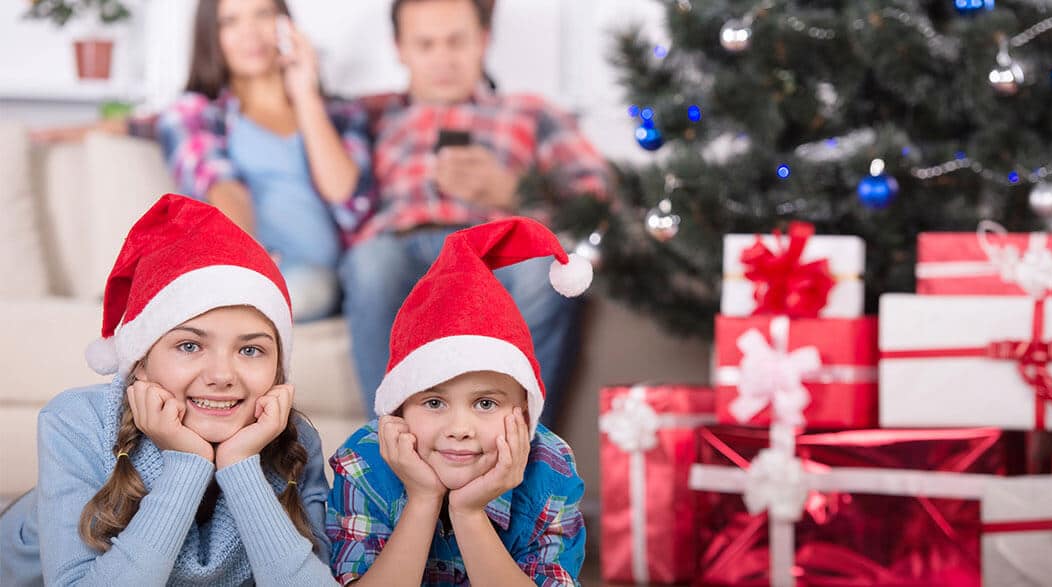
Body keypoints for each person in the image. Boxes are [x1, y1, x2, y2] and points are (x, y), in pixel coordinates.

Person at [0, 194, 338, 586]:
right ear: (139, 363)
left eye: (250, 350)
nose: (221, 375)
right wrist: (187, 464)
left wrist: (241, 466)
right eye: (189, 346)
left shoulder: (292, 437)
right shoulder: (76, 421)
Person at [340, 0, 611, 422]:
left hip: (494, 250)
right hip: (400, 246)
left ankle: (523, 449)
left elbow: (595, 193)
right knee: (369, 263)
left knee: (546, 271)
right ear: (400, 48)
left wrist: (513, 191)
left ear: (483, 40)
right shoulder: (368, 114)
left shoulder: (530, 112)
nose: (442, 59)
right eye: (425, 44)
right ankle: (388, 449)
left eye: (456, 41)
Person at [327, 217, 590, 585]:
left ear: (525, 412)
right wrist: (422, 500)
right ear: (398, 409)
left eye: (485, 404)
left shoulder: (550, 467)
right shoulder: (364, 460)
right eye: (434, 403)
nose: (459, 430)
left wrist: (469, 513)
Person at [157, 0, 374, 322]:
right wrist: (252, 264)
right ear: (211, 36)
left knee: (303, 289)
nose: (250, 33)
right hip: (249, 267)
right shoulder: (195, 113)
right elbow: (221, 188)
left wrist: (304, 94)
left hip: (326, 280)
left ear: (286, 24)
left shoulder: (342, 115)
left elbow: (343, 192)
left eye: (263, 14)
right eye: (230, 22)